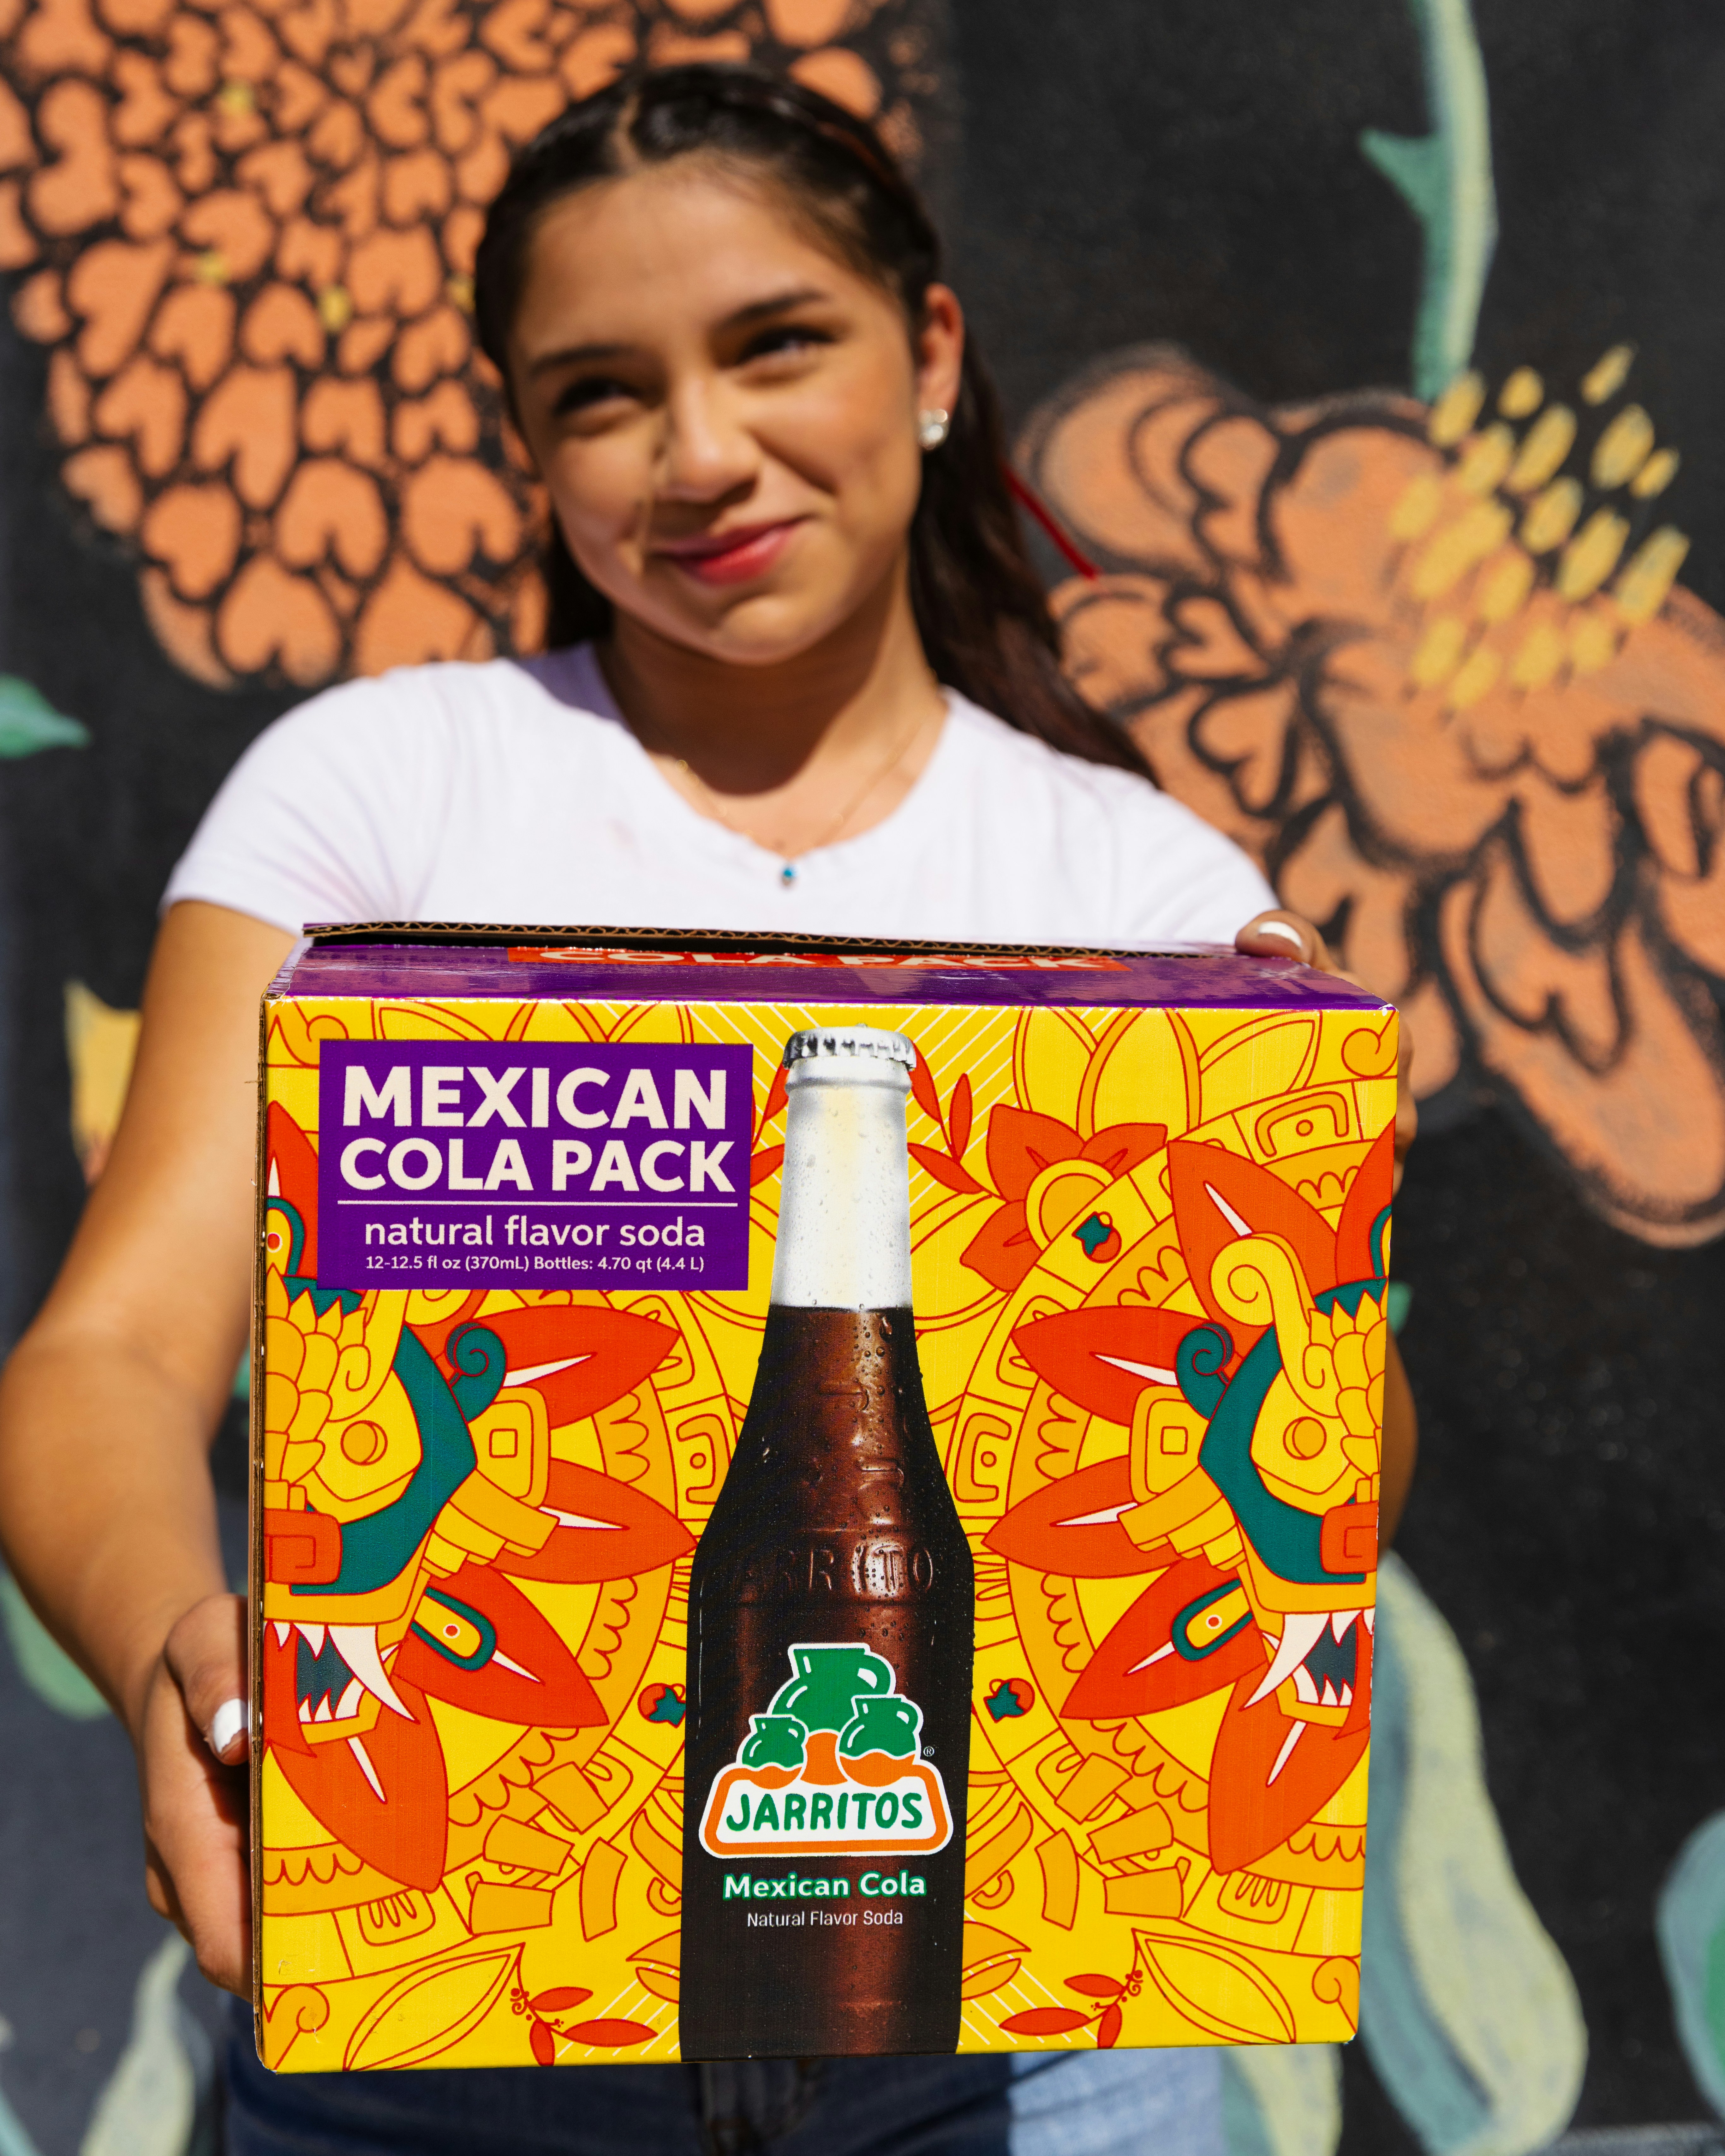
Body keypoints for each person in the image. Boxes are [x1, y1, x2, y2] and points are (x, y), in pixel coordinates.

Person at [0, 64, 1416, 2156]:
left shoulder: (1143, 892)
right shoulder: (374, 797)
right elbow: (110, 1354)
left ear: (930, 354)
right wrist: (174, 1663)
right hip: (441, 2070)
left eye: (775, 344)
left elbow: (1343, 1474)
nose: (700, 453)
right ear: (524, 445)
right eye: (598, 393)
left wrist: (1298, 1275)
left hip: (1026, 2081)